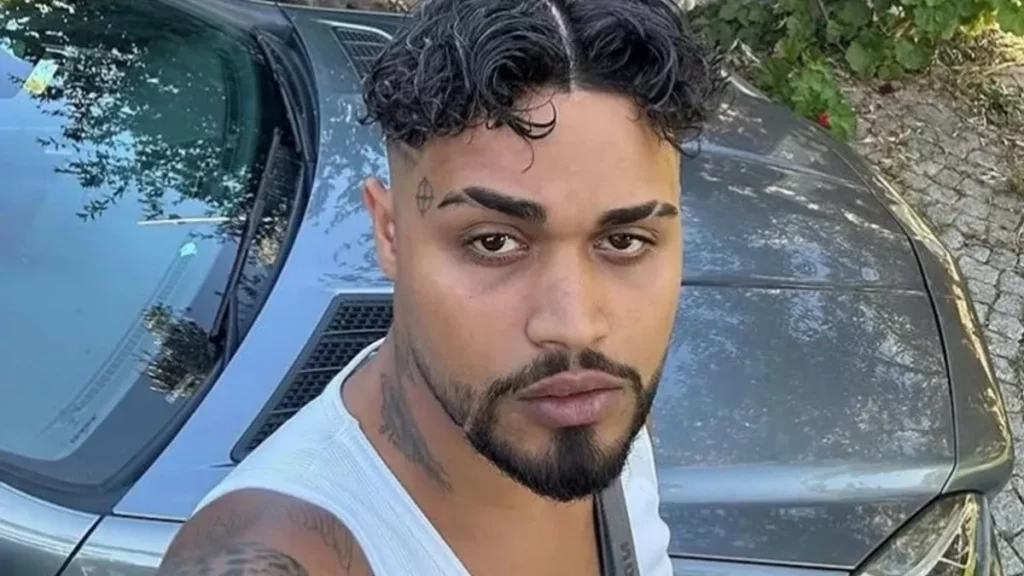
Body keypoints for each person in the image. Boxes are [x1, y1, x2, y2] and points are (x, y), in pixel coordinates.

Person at [156, 0, 723, 574]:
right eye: (494, 242)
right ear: (390, 232)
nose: (576, 326)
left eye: (625, 241)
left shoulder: (592, 398)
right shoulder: (274, 555)